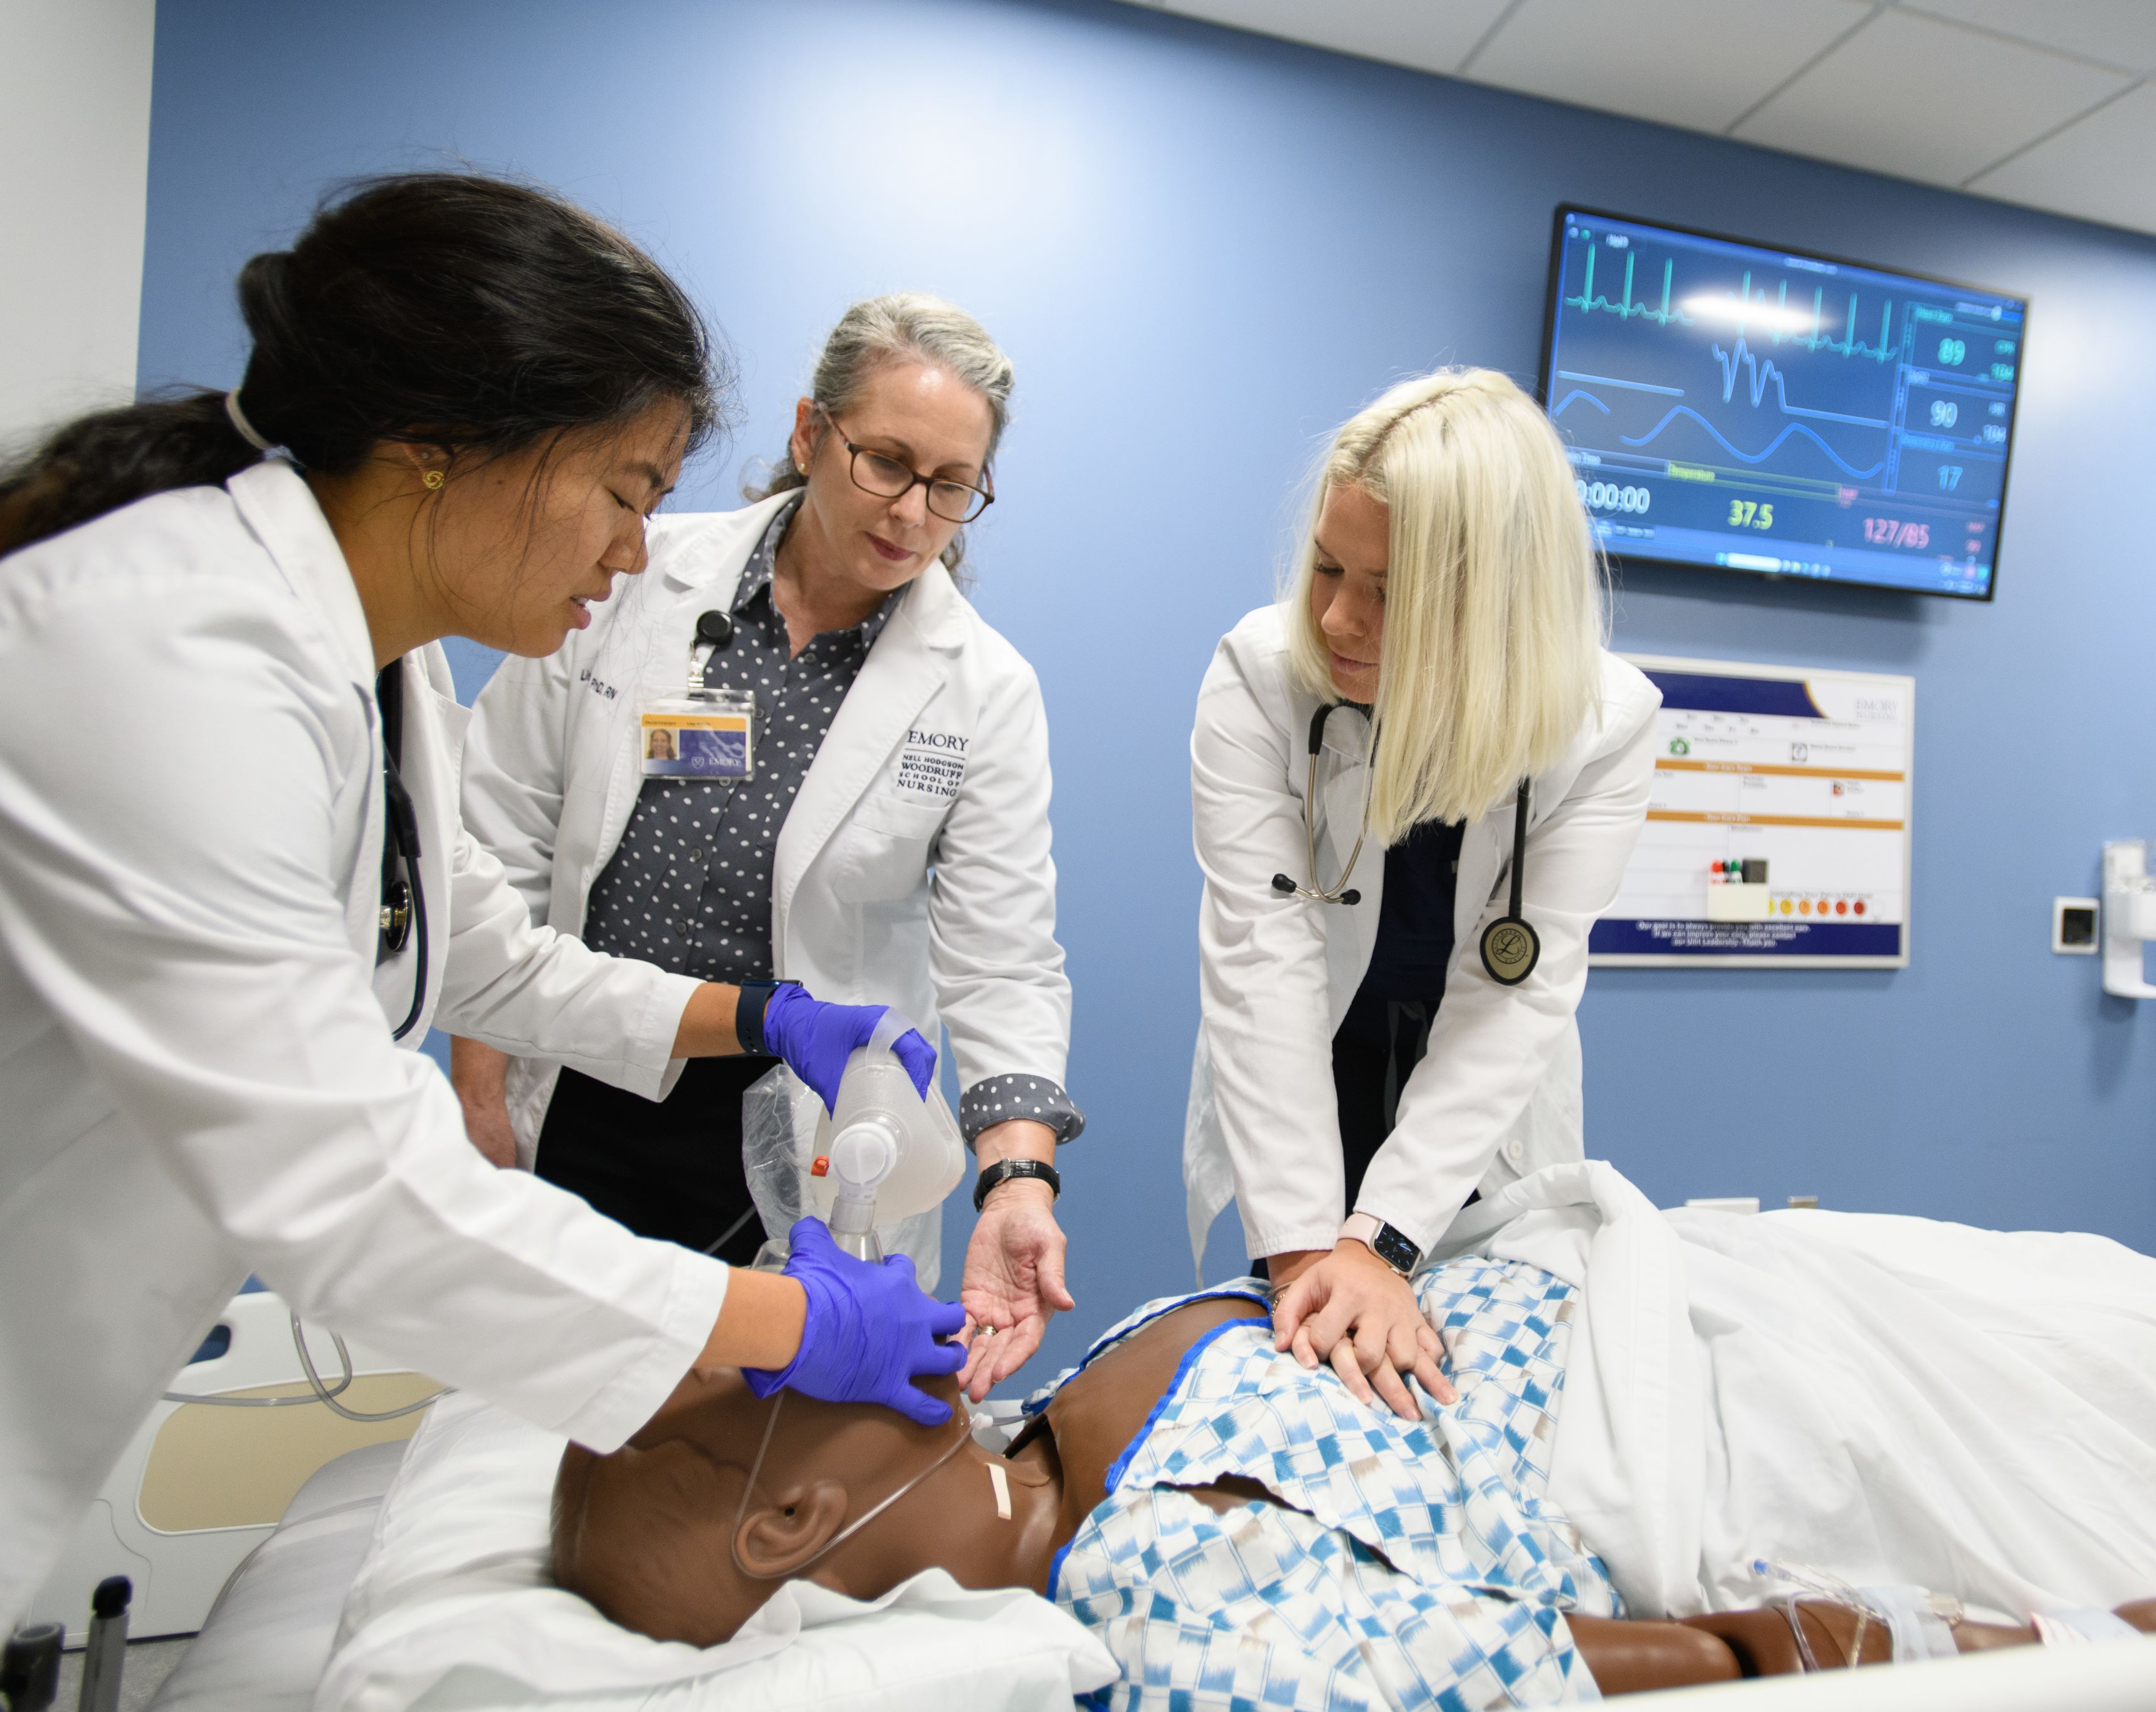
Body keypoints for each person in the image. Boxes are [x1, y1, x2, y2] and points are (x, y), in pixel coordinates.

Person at [0, 174, 969, 1622]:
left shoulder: (379, 679)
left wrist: (759, 1016)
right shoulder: (173, 657)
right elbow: (351, 1181)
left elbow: (486, 959)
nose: (637, 549)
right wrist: (787, 1322)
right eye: (626, 487)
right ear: (442, 444)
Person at [552, 1258, 2156, 1708]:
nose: (829, 1302)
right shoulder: (1179, 1614)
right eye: (780, 1357)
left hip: (1705, 1279)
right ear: (790, 1522)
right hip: (1766, 1407)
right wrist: (2084, 1644)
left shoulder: (1045, 1439)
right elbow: (1694, 1651)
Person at [455, 293, 1075, 1401]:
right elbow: (498, 831)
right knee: (545, 1411)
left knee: (754, 1445)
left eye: (951, 486)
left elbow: (1004, 961)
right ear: (808, 435)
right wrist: (479, 1087)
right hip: (579, 1083)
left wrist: (1017, 1182)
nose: (913, 512)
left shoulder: (985, 690)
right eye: (885, 461)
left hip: (807, 1124)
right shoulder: (629, 575)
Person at [1185, 369, 1661, 1419]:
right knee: (1313, 1364)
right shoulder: (1261, 676)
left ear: (1494, 595)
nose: (1339, 617)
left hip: (1479, 1106)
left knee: (1480, 1381)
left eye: (1391, 591)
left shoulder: (1605, 723)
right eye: (1324, 567)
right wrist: (1317, 1258)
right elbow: (1262, 963)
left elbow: (1519, 995)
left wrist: (1385, 1242)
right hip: (1306, 1067)